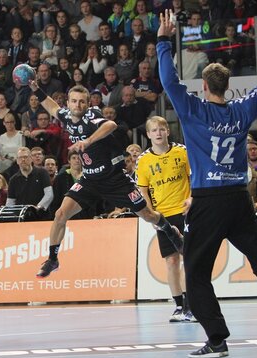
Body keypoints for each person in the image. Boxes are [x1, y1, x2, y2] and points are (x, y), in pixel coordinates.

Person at [157, 8, 257, 358]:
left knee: (197, 272)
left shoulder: (193, 109)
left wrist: (163, 40)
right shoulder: (243, 109)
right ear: (228, 86)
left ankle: (217, 338)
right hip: (239, 199)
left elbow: (168, 81)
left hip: (207, 202)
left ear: (204, 87)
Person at [32, 84, 184, 278]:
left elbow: (110, 125)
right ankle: (52, 259)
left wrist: (87, 141)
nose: (78, 105)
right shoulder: (67, 117)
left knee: (147, 214)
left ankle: (168, 229)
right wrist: (35, 88)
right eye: (74, 101)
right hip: (90, 179)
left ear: (88, 103)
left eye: (82, 101)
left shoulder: (91, 117)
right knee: (61, 213)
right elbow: (51, 107)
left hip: (115, 179)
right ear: (68, 103)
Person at [136, 116, 196, 322]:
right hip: (163, 216)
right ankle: (179, 306)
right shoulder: (143, 160)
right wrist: (152, 216)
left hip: (185, 212)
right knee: (171, 261)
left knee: (188, 259)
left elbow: (194, 177)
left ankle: (190, 306)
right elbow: (143, 191)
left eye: (162, 129)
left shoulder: (182, 151)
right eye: (154, 130)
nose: (159, 133)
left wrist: (191, 198)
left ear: (167, 131)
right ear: (148, 134)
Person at [6, 146, 53, 219]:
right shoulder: (13, 180)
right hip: (22, 219)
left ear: (31, 159)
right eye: (20, 158)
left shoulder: (42, 173)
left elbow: (49, 194)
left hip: (42, 217)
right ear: (17, 161)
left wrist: (37, 208)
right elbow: (10, 202)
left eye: (25, 157)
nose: (23, 160)